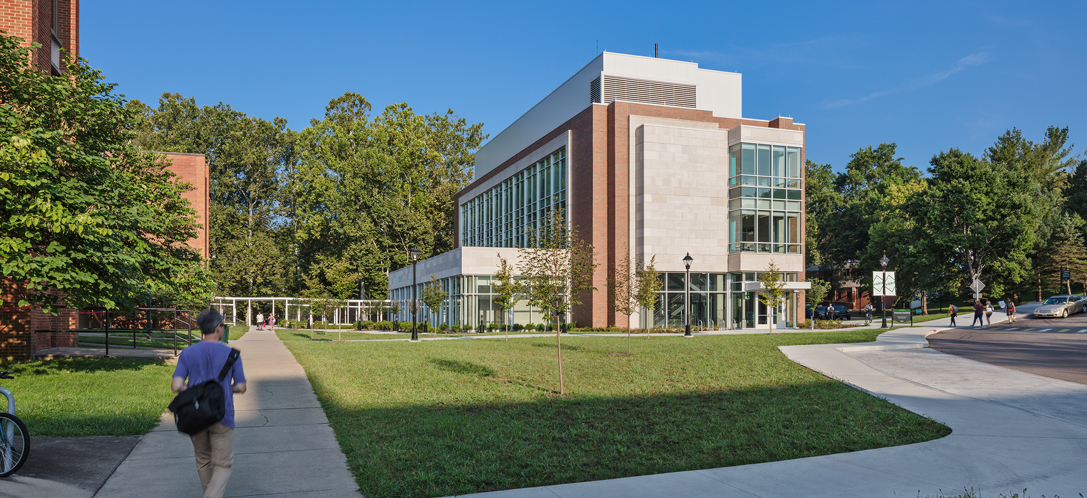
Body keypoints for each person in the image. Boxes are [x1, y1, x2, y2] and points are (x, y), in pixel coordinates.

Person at [173, 308, 247, 498]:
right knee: (223, 465)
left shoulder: (188, 352)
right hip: (223, 414)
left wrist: (195, 388)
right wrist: (223, 389)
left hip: (196, 415)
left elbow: (176, 385)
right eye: (223, 326)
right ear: (218, 328)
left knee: (204, 460)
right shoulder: (231, 354)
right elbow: (241, 387)